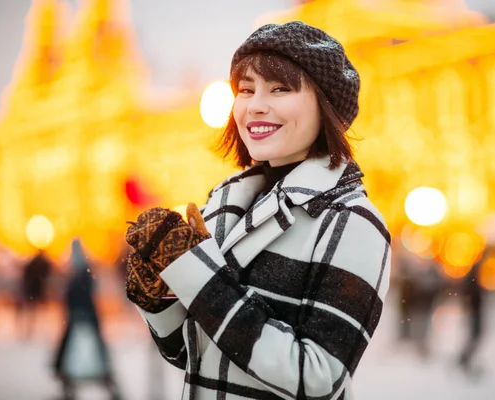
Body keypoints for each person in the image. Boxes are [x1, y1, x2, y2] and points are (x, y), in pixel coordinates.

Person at [126, 21, 391, 399]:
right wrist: (160, 296)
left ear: (325, 105)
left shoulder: (351, 220)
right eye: (245, 90)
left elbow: (317, 379)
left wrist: (199, 279)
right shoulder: (223, 205)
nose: (255, 105)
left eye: (280, 89)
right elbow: (192, 353)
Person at [53, 239, 121, 400]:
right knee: (86, 356)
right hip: (83, 319)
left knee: (80, 356)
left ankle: (73, 387)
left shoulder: (80, 275)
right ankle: (106, 387)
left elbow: (80, 297)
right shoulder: (81, 274)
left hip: (82, 319)